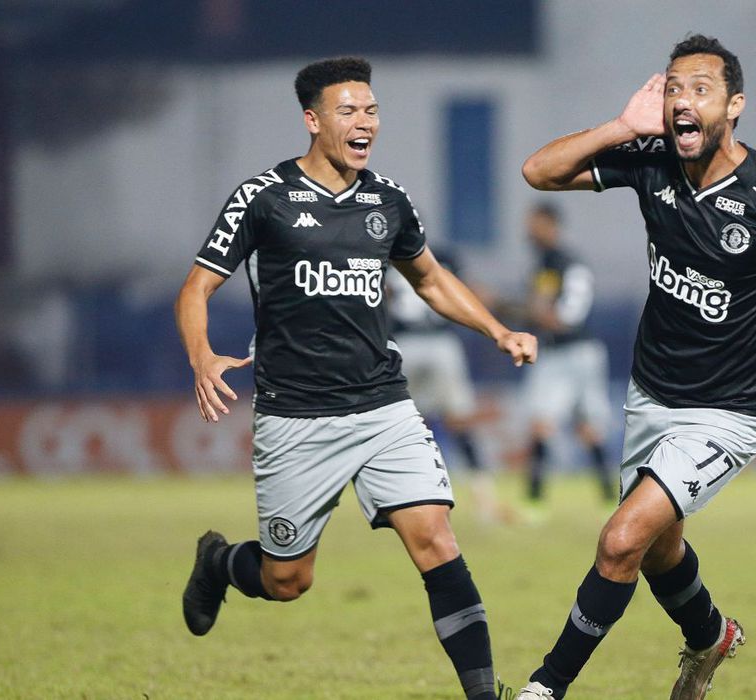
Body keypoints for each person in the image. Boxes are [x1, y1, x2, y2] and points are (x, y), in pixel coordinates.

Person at [512, 35, 756, 699]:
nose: (682, 100)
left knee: (621, 540)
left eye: (700, 89)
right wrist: (621, 127)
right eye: (673, 87)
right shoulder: (653, 160)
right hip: (651, 395)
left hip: (728, 411)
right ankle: (710, 637)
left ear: (734, 106)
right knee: (658, 549)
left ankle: (545, 686)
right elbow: (539, 171)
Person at [176, 57, 536, 700]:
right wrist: (202, 355)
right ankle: (220, 562)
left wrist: (497, 330)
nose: (364, 121)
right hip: (294, 415)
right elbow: (196, 287)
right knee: (288, 580)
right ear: (312, 120)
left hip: (382, 406)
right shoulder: (264, 197)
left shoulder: (387, 200)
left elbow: (430, 279)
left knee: (435, 539)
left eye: (371, 109)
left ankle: (485, 695)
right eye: (348, 110)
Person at [386, 247, 503, 523]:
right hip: (441, 344)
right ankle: (483, 498)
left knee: (402, 423)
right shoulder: (442, 257)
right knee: (459, 421)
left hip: (407, 344)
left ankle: (403, 499)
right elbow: (465, 291)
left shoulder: (385, 256)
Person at [520, 202, 615, 509]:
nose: (529, 231)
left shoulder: (556, 262)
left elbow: (555, 316)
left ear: (551, 224)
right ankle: (608, 498)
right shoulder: (564, 261)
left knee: (543, 423)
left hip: (565, 352)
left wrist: (500, 306)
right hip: (583, 351)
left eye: (534, 224)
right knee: (588, 428)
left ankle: (534, 502)